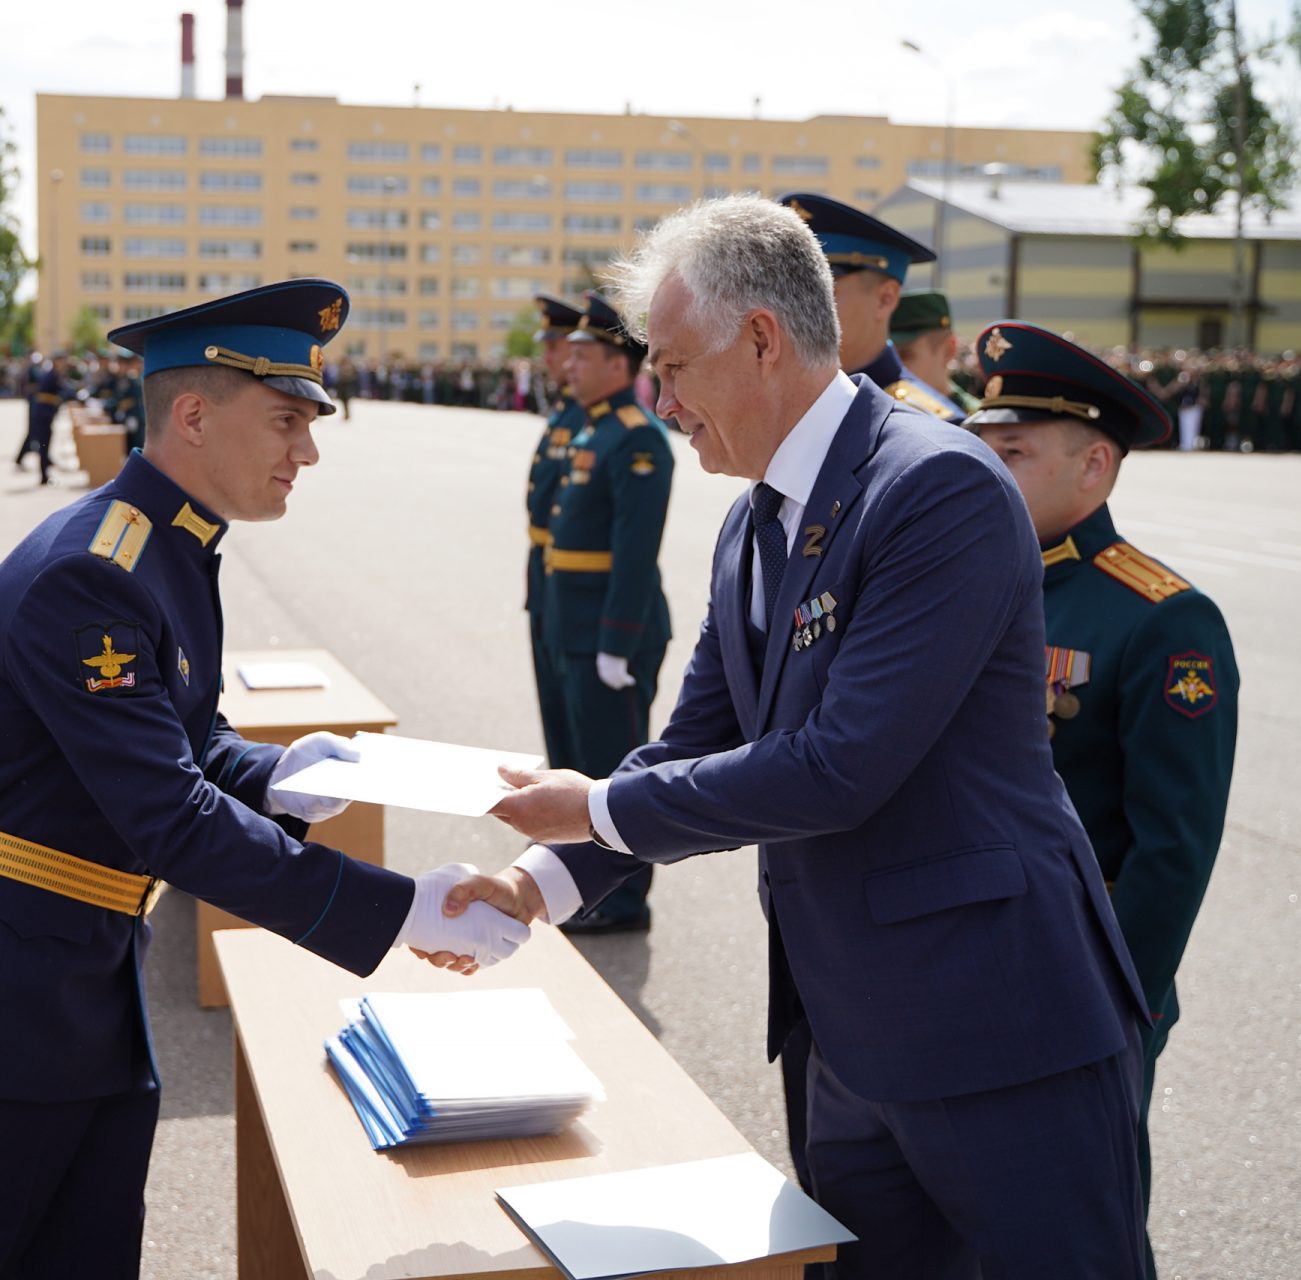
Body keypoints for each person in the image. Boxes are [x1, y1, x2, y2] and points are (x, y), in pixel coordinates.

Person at [458, 194, 1151, 1277]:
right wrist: (538, 881)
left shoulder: (936, 487)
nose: (664, 398)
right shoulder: (752, 519)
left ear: (763, 340)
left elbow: (840, 767)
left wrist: (590, 804)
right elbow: (689, 742)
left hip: (993, 1027)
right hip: (845, 1034)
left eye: (676, 367)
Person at [0, 280, 527, 1277]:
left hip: (81, 978)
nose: (310, 449)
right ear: (194, 415)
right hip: (1, 998)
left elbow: (182, 734)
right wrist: (402, 909)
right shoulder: (97, 571)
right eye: (288, 419)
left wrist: (276, 772)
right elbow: (168, 814)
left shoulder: (167, 544)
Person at [965, 320, 1239, 1277]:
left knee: (1077, 1236)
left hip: (1076, 988)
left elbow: (1174, 848)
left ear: (1095, 467)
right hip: (953, 966)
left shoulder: (1160, 619)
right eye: (979, 450)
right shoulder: (962, 583)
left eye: (1014, 453)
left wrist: (1115, 1000)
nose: (987, 471)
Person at [535, 291, 675, 934]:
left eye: (587, 354)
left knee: (608, 772)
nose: (571, 363)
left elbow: (635, 552)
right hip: (574, 620)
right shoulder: (594, 425)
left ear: (620, 364)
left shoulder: (639, 438)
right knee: (574, 763)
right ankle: (577, 884)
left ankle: (620, 899)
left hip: (608, 630)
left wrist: (617, 640)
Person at [778, 193, 964, 421]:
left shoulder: (929, 424)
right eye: (788, 290)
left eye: (821, 290)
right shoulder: (774, 407)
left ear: (885, 299)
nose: (798, 305)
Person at [526, 293, 586, 777]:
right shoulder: (568, 410)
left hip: (580, 591)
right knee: (559, 724)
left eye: (556, 344)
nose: (547, 355)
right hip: (546, 577)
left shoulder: (594, 417)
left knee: (590, 744)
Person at [890, 289, 975, 414]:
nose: (890, 365)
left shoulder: (981, 426)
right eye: (887, 354)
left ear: (948, 350)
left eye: (904, 355)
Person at [19, 351, 73, 484]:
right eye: (62, 360)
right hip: (43, 415)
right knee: (44, 446)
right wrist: (63, 398)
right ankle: (44, 477)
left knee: (44, 445)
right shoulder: (51, 376)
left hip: (45, 414)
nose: (65, 363)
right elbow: (46, 394)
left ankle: (44, 475)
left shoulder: (54, 374)